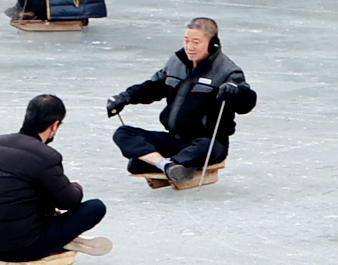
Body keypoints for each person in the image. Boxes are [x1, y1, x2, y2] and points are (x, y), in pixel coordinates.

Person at [107, 16, 257, 184]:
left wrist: (235, 92)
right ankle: (168, 165)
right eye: (186, 40)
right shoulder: (175, 63)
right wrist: (125, 97)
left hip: (206, 142)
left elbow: (247, 103)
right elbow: (152, 88)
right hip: (174, 140)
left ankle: (161, 162)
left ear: (212, 43)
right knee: (124, 133)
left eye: (196, 42)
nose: (189, 47)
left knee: (205, 148)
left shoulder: (227, 71)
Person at [0, 93, 108, 264]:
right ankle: (58, 240)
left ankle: (54, 234)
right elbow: (68, 201)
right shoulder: (46, 156)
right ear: (55, 125)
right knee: (95, 207)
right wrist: (76, 186)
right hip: (24, 248)